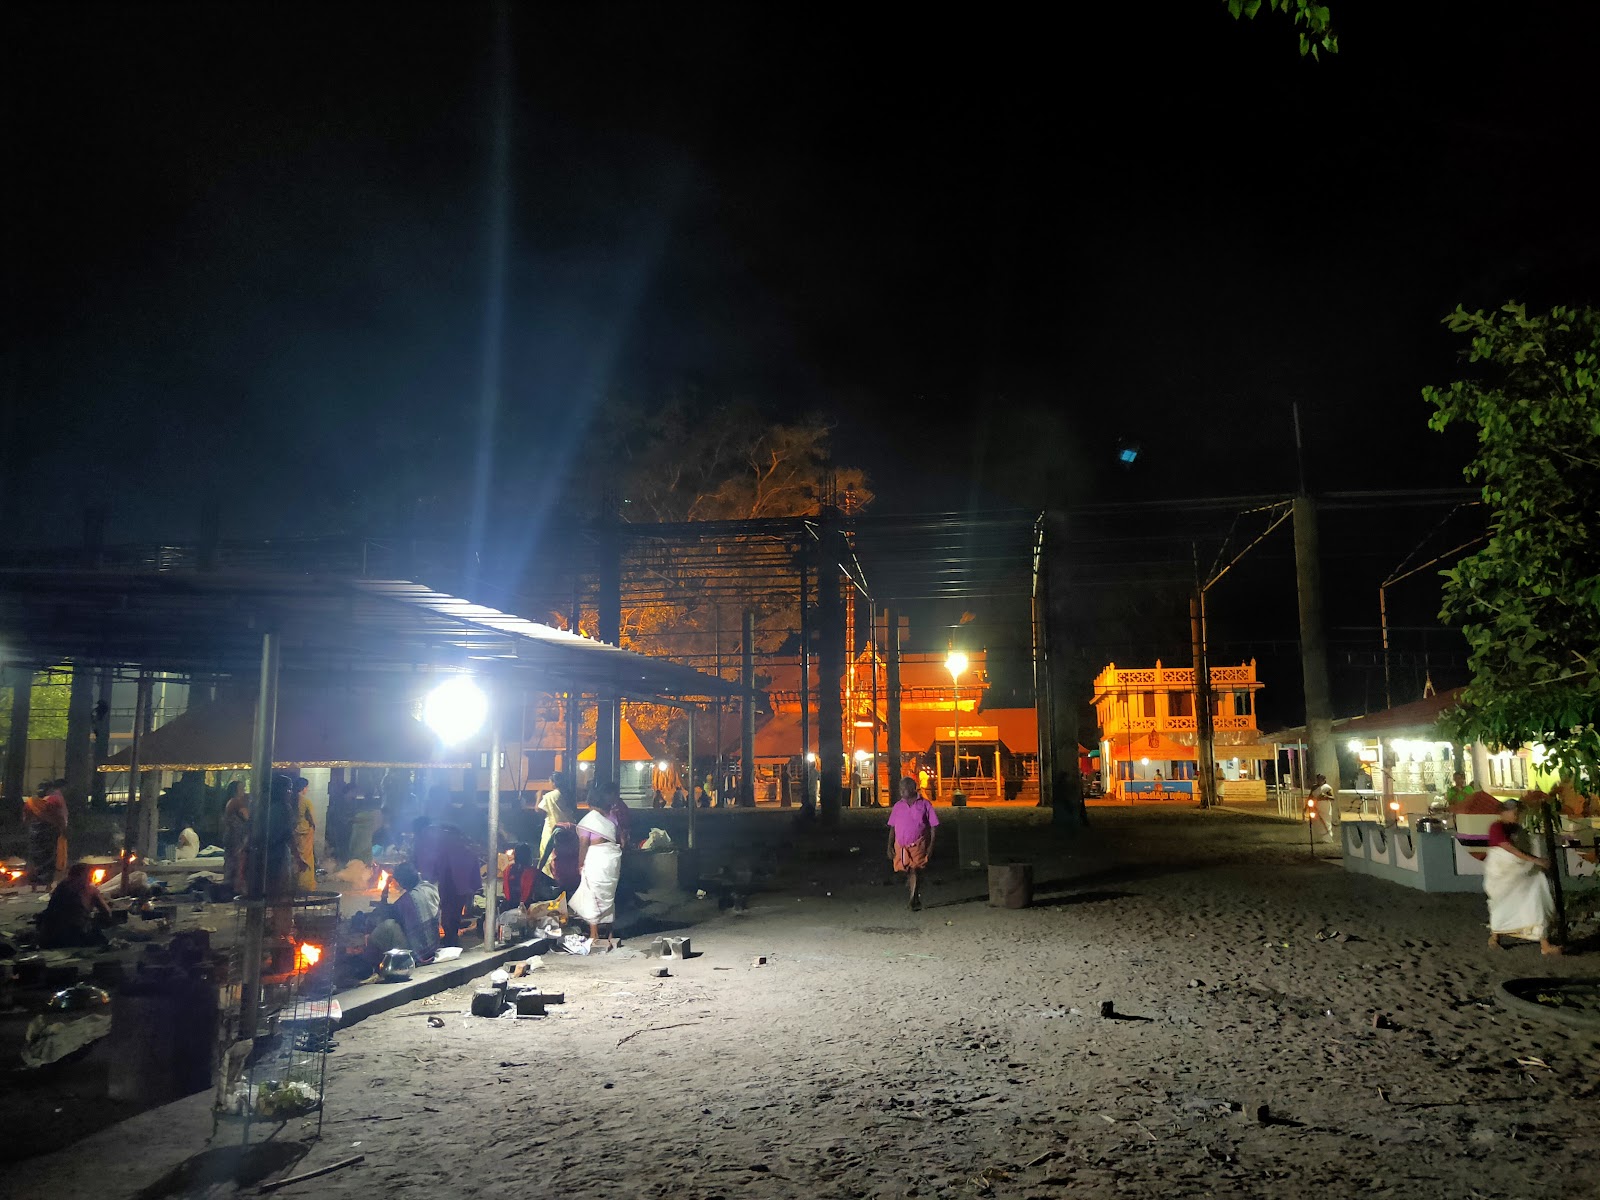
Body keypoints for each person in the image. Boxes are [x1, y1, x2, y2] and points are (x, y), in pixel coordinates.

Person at [1485, 797, 1562, 955]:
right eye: (1514, 813)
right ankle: (1495, 936)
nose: (1517, 816)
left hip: (1521, 874)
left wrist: (1533, 861)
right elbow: (1508, 848)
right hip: (1503, 874)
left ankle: (1544, 944)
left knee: (1534, 897)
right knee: (1502, 903)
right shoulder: (1497, 827)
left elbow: (1523, 847)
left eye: (1518, 813)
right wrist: (1535, 860)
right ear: (1504, 812)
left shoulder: (1517, 829)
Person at [569, 783, 627, 949]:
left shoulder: (588, 820)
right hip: (613, 860)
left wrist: (580, 864)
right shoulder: (611, 818)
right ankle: (609, 933)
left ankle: (594, 934)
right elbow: (621, 841)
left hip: (597, 858)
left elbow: (583, 844)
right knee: (608, 896)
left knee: (592, 894)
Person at [414, 815, 480, 947]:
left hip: (452, 875)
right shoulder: (443, 832)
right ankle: (452, 938)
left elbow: (428, 863)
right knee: (454, 909)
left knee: (449, 911)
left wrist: (428, 876)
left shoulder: (428, 835)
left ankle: (451, 941)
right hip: (460, 872)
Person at [368, 863, 440, 965]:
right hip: (433, 946)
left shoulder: (407, 901)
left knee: (387, 927)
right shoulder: (429, 888)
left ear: (403, 882)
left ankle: (372, 964)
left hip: (418, 952)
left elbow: (387, 914)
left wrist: (385, 890)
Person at [886, 776, 939, 910]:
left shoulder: (925, 804)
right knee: (907, 870)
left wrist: (931, 846)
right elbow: (892, 827)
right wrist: (889, 846)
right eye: (900, 789)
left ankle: (912, 899)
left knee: (915, 869)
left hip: (918, 844)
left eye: (904, 788)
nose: (901, 791)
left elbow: (934, 826)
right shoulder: (898, 806)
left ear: (913, 788)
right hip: (900, 845)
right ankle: (914, 895)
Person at [37, 862, 112, 948]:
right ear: (86, 875)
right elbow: (107, 913)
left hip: (49, 936)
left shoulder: (60, 887)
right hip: (75, 936)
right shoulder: (90, 889)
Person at [22, 779, 69, 890]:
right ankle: (47, 884)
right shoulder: (55, 800)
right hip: (50, 832)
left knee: (35, 858)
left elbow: (26, 819)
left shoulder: (30, 802)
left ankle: (34, 885)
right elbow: (60, 817)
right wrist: (63, 829)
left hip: (35, 833)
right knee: (49, 858)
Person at [221, 780, 251, 895]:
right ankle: (233, 888)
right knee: (237, 862)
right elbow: (247, 817)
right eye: (242, 788)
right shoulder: (235, 802)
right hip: (235, 837)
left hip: (233, 836)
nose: (244, 791)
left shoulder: (232, 802)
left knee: (232, 862)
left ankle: (230, 887)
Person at [290, 776, 316, 891]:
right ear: (304, 788)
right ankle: (305, 884)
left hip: (294, 832)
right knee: (306, 858)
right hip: (305, 833)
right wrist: (313, 828)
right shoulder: (306, 801)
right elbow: (312, 819)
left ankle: (294, 882)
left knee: (295, 857)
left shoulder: (290, 800)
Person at [347, 789, 384, 864]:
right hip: (361, 837)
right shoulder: (373, 814)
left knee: (359, 853)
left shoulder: (371, 814)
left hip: (363, 838)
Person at [1310, 773, 1336, 841]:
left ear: (1324, 780)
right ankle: (1318, 838)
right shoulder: (1314, 788)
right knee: (1317, 822)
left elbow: (1333, 798)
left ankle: (1327, 838)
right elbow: (1310, 797)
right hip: (1316, 806)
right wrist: (1306, 807)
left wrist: (1326, 796)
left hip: (1325, 807)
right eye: (1318, 779)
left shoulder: (1327, 788)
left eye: (1320, 780)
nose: (1319, 781)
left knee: (1325, 822)